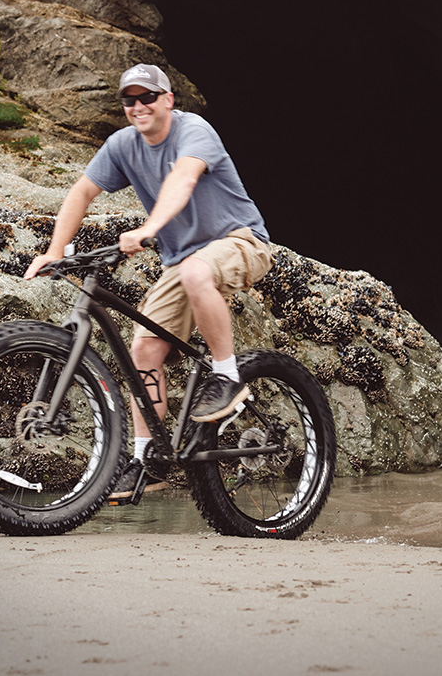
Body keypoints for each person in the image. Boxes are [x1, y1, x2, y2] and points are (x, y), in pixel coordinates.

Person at [24, 63, 273, 495]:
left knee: (197, 271)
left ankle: (227, 375)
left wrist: (148, 229)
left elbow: (183, 178)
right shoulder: (122, 145)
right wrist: (54, 250)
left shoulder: (194, 131)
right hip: (183, 260)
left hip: (239, 240)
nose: (138, 107)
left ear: (168, 100)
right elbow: (81, 192)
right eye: (129, 100)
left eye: (147, 98)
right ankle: (147, 458)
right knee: (143, 349)